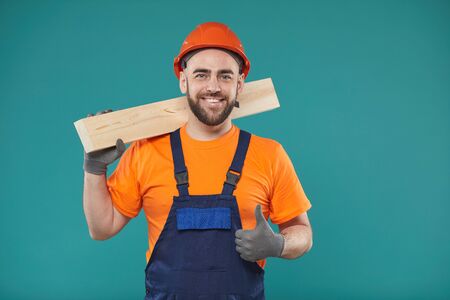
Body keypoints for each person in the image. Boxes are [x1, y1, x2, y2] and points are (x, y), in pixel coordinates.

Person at [83, 21, 313, 299]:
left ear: (240, 84)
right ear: (184, 80)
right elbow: (101, 228)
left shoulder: (269, 154)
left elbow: (303, 234)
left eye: (225, 76)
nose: (213, 86)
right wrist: (95, 168)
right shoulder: (147, 151)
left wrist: (278, 244)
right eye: (202, 75)